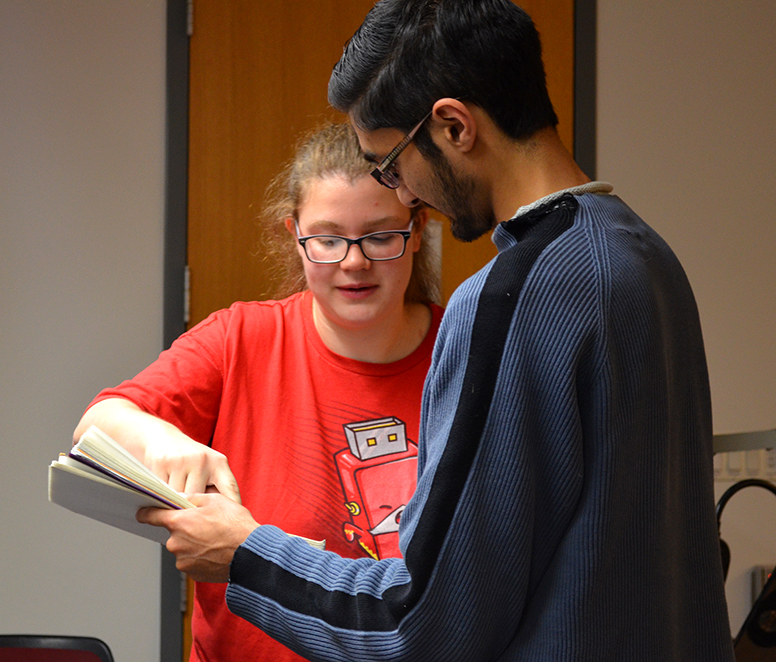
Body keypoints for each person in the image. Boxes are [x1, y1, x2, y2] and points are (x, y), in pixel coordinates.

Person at [137, 1, 736, 660]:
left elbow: (422, 625)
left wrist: (245, 554)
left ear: (453, 126)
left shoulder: (511, 299)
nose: (408, 194)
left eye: (391, 164)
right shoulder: (644, 256)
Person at [74, 122, 444, 662]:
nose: (354, 262)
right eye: (328, 238)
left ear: (418, 228)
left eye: (381, 235)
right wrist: (165, 444)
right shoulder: (240, 338)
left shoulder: (463, 349)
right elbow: (99, 423)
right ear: (295, 235)